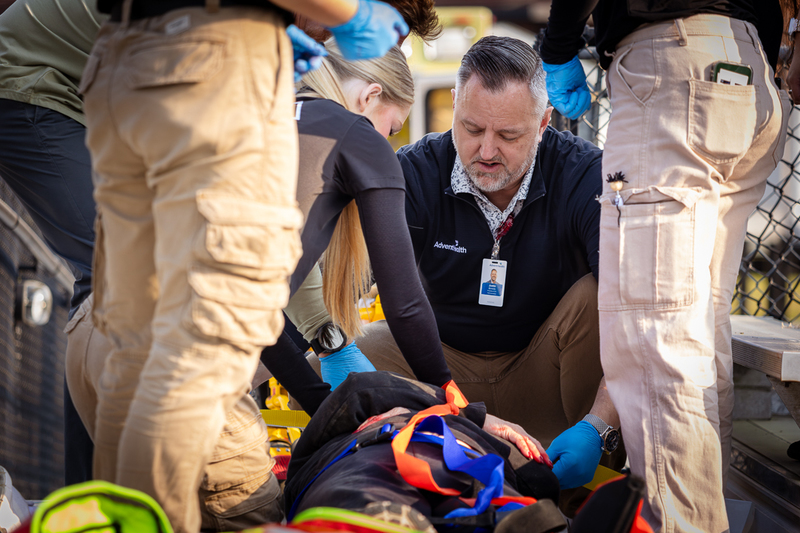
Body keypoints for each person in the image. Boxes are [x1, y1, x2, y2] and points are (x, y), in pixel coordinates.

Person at [80, 1, 408, 532]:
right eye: (393, 127)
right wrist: (346, 13)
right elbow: (250, 307)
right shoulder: (342, 130)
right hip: (212, 64)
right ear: (371, 95)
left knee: (138, 370)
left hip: (128, 61)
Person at [342, 36, 625, 508]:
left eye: (509, 136)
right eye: (471, 128)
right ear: (454, 105)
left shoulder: (584, 175)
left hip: (546, 374)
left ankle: (585, 484)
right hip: (441, 377)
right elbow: (346, 282)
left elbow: (630, 312)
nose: (486, 151)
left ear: (542, 123)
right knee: (356, 348)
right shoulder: (413, 172)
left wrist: (600, 424)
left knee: (603, 296)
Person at [540, 1, 792, 531]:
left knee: (657, 338)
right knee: (697, 328)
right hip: (748, 72)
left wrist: (559, 45)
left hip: (672, 68)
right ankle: (705, 515)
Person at [0, 0, 108, 485]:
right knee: (110, 274)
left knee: (106, 280)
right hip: (29, 85)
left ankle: (84, 486)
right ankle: (86, 488)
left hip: (64, 97)